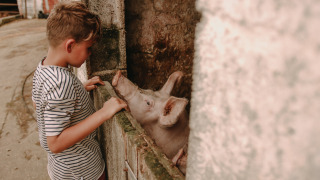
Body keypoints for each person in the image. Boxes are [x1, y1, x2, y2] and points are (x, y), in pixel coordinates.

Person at [31, 2, 127, 179]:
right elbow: (55, 143)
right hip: (81, 171)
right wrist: (104, 113)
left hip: (61, 167)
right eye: (88, 48)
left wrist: (78, 91)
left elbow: (40, 104)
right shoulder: (61, 83)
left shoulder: (43, 68)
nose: (90, 53)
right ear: (70, 46)